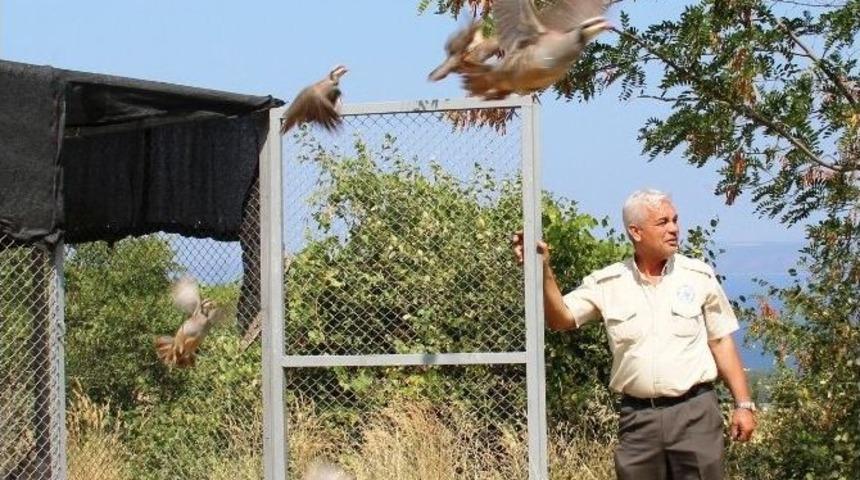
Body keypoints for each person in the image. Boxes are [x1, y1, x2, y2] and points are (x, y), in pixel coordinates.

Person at [513, 188, 756, 479]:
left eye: (675, 220)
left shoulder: (698, 275)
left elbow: (720, 341)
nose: (674, 229)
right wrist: (543, 269)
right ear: (636, 232)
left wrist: (743, 404)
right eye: (663, 222)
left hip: (695, 415)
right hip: (639, 420)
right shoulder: (608, 282)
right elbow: (561, 318)